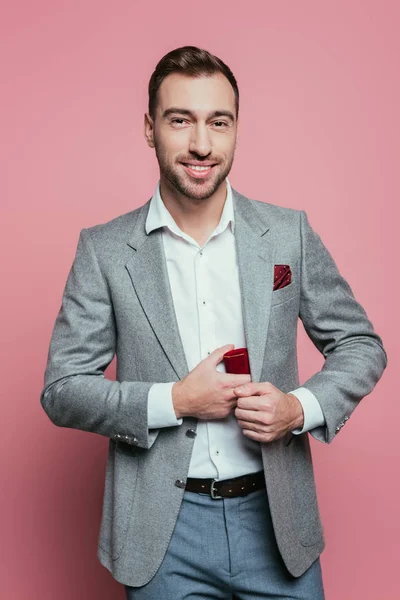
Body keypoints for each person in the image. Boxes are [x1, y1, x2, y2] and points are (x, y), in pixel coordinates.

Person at [40, 46, 387, 599]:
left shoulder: (287, 235)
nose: (202, 143)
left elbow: (360, 344)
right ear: (150, 128)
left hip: (277, 523)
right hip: (162, 533)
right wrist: (175, 401)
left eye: (217, 122)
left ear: (235, 131)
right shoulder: (105, 251)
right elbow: (62, 391)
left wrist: (299, 408)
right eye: (181, 120)